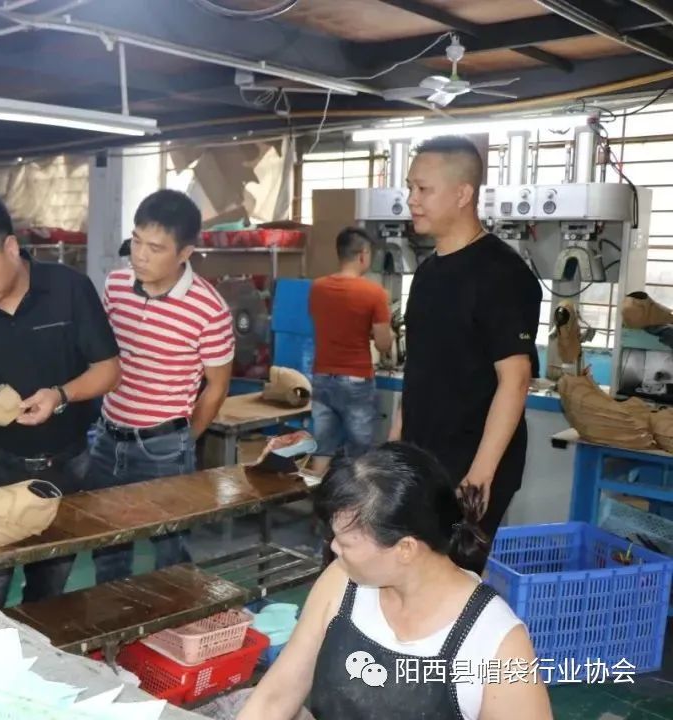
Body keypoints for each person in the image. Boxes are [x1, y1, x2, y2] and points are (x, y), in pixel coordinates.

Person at [236, 443, 553, 720]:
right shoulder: (341, 582)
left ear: (405, 549)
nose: (335, 549)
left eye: (346, 543)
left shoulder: (496, 643)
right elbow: (275, 697)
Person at [0, 198, 120, 605]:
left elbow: (108, 370)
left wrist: (60, 395)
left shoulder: (69, 289)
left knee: (50, 589)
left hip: (65, 468)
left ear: (11, 248)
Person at [389, 135, 541, 558]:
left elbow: (516, 380)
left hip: (469, 465)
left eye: (423, 189)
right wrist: (394, 447)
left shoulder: (501, 274)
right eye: (410, 187)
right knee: (408, 570)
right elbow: (419, 369)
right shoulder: (427, 273)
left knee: (452, 577)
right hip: (422, 460)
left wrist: (480, 476)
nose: (412, 199)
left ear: (462, 194)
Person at [88, 189, 235, 584]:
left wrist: (185, 438)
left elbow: (217, 387)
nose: (140, 256)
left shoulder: (210, 309)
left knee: (170, 553)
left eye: (155, 248)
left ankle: (170, 619)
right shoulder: (116, 285)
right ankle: (114, 617)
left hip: (164, 448)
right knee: (107, 546)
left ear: (185, 252)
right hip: (107, 440)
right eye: (136, 241)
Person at [307, 226, 393, 476]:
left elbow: (331, 324)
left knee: (322, 449)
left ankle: (318, 497)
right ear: (363, 254)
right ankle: (358, 501)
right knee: (361, 454)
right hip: (356, 380)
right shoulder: (374, 293)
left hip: (322, 377)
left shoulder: (317, 287)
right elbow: (384, 344)